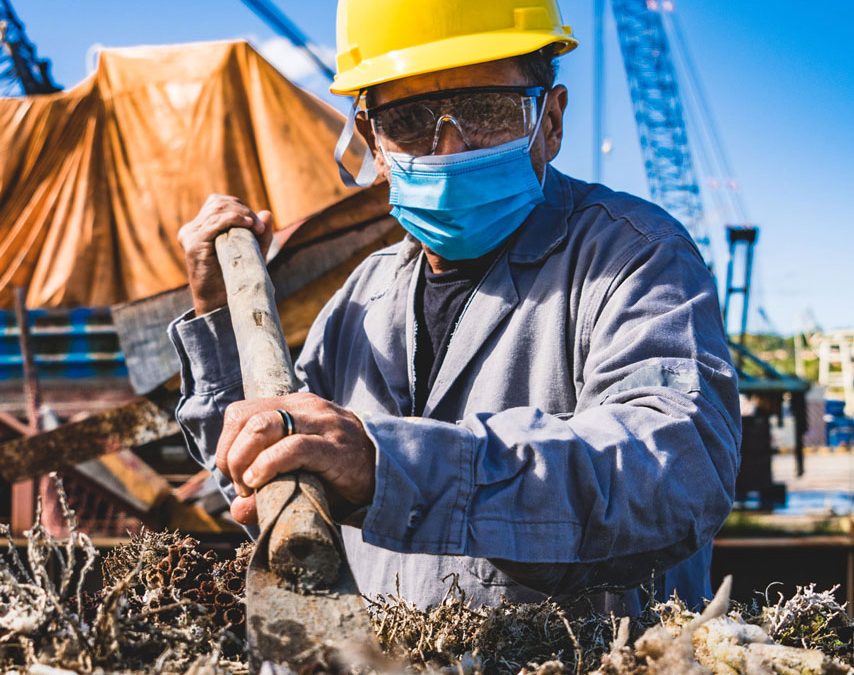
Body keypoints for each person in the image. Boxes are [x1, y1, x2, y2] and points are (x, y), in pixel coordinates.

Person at [169, 0, 740, 613]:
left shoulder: (635, 257)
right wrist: (217, 317)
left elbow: (674, 471)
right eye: (411, 119)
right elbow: (262, 478)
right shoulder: (366, 296)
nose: (448, 147)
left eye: (486, 111)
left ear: (550, 119)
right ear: (373, 142)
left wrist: (388, 464)